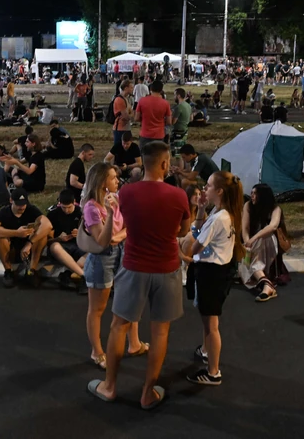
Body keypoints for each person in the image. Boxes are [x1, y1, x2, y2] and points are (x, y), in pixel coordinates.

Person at [88, 142, 190, 410]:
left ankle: (109, 386)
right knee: (160, 332)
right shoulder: (179, 196)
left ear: (143, 163)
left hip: (133, 266)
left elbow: (125, 224)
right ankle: (147, 393)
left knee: (118, 325)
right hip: (166, 268)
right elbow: (182, 231)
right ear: (165, 164)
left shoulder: (127, 193)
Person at [80, 165, 148, 369]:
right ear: (102, 182)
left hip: (122, 253)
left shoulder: (117, 199)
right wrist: (110, 216)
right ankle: (97, 352)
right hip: (102, 260)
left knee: (128, 300)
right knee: (97, 309)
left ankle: (134, 343)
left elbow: (129, 227)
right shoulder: (91, 207)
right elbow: (102, 241)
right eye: (112, 177)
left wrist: (117, 236)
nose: (117, 180)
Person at [183, 171, 244, 385]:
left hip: (211, 273)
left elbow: (196, 244)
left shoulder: (219, 218)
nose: (204, 189)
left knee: (211, 324)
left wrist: (191, 237)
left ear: (219, 191)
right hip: (219, 270)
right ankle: (206, 350)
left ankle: (213, 372)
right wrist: (200, 209)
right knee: (208, 318)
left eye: (208, 186)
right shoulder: (224, 212)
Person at [0, 189, 52, 288]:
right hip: (10, 250)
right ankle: (8, 271)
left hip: (28, 250)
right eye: (18, 204)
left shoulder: (31, 210)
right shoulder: (4, 212)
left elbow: (48, 225)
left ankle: (32, 271)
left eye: (24, 204)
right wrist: (16, 233)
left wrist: (29, 243)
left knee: (42, 236)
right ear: (11, 200)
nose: (21, 207)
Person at [239, 183, 290, 301]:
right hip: (252, 243)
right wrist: (247, 242)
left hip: (267, 241)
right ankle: (267, 286)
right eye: (251, 193)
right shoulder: (248, 206)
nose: (252, 196)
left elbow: (272, 227)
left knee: (253, 255)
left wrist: (253, 239)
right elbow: (245, 228)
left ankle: (265, 285)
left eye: (255, 193)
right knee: (247, 261)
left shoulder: (275, 209)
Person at [46, 189, 87, 292]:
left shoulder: (81, 213)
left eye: (69, 207)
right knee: (55, 247)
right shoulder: (53, 214)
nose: (66, 210)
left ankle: (67, 273)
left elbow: (91, 234)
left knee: (93, 251)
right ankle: (84, 276)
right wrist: (58, 238)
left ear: (74, 202)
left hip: (78, 245)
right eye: (63, 207)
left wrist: (80, 233)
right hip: (61, 246)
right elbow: (47, 239)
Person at [135, 80, 171, 150]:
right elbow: (169, 122)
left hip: (145, 133)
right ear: (161, 90)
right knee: (157, 157)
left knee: (144, 156)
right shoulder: (165, 103)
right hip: (159, 134)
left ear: (150, 89)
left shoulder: (142, 101)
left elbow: (136, 118)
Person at [111, 79, 133, 147]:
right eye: (131, 87)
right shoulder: (119, 100)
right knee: (118, 151)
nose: (133, 89)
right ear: (126, 88)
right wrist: (132, 115)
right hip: (120, 129)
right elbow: (126, 117)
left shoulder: (127, 99)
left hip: (126, 128)